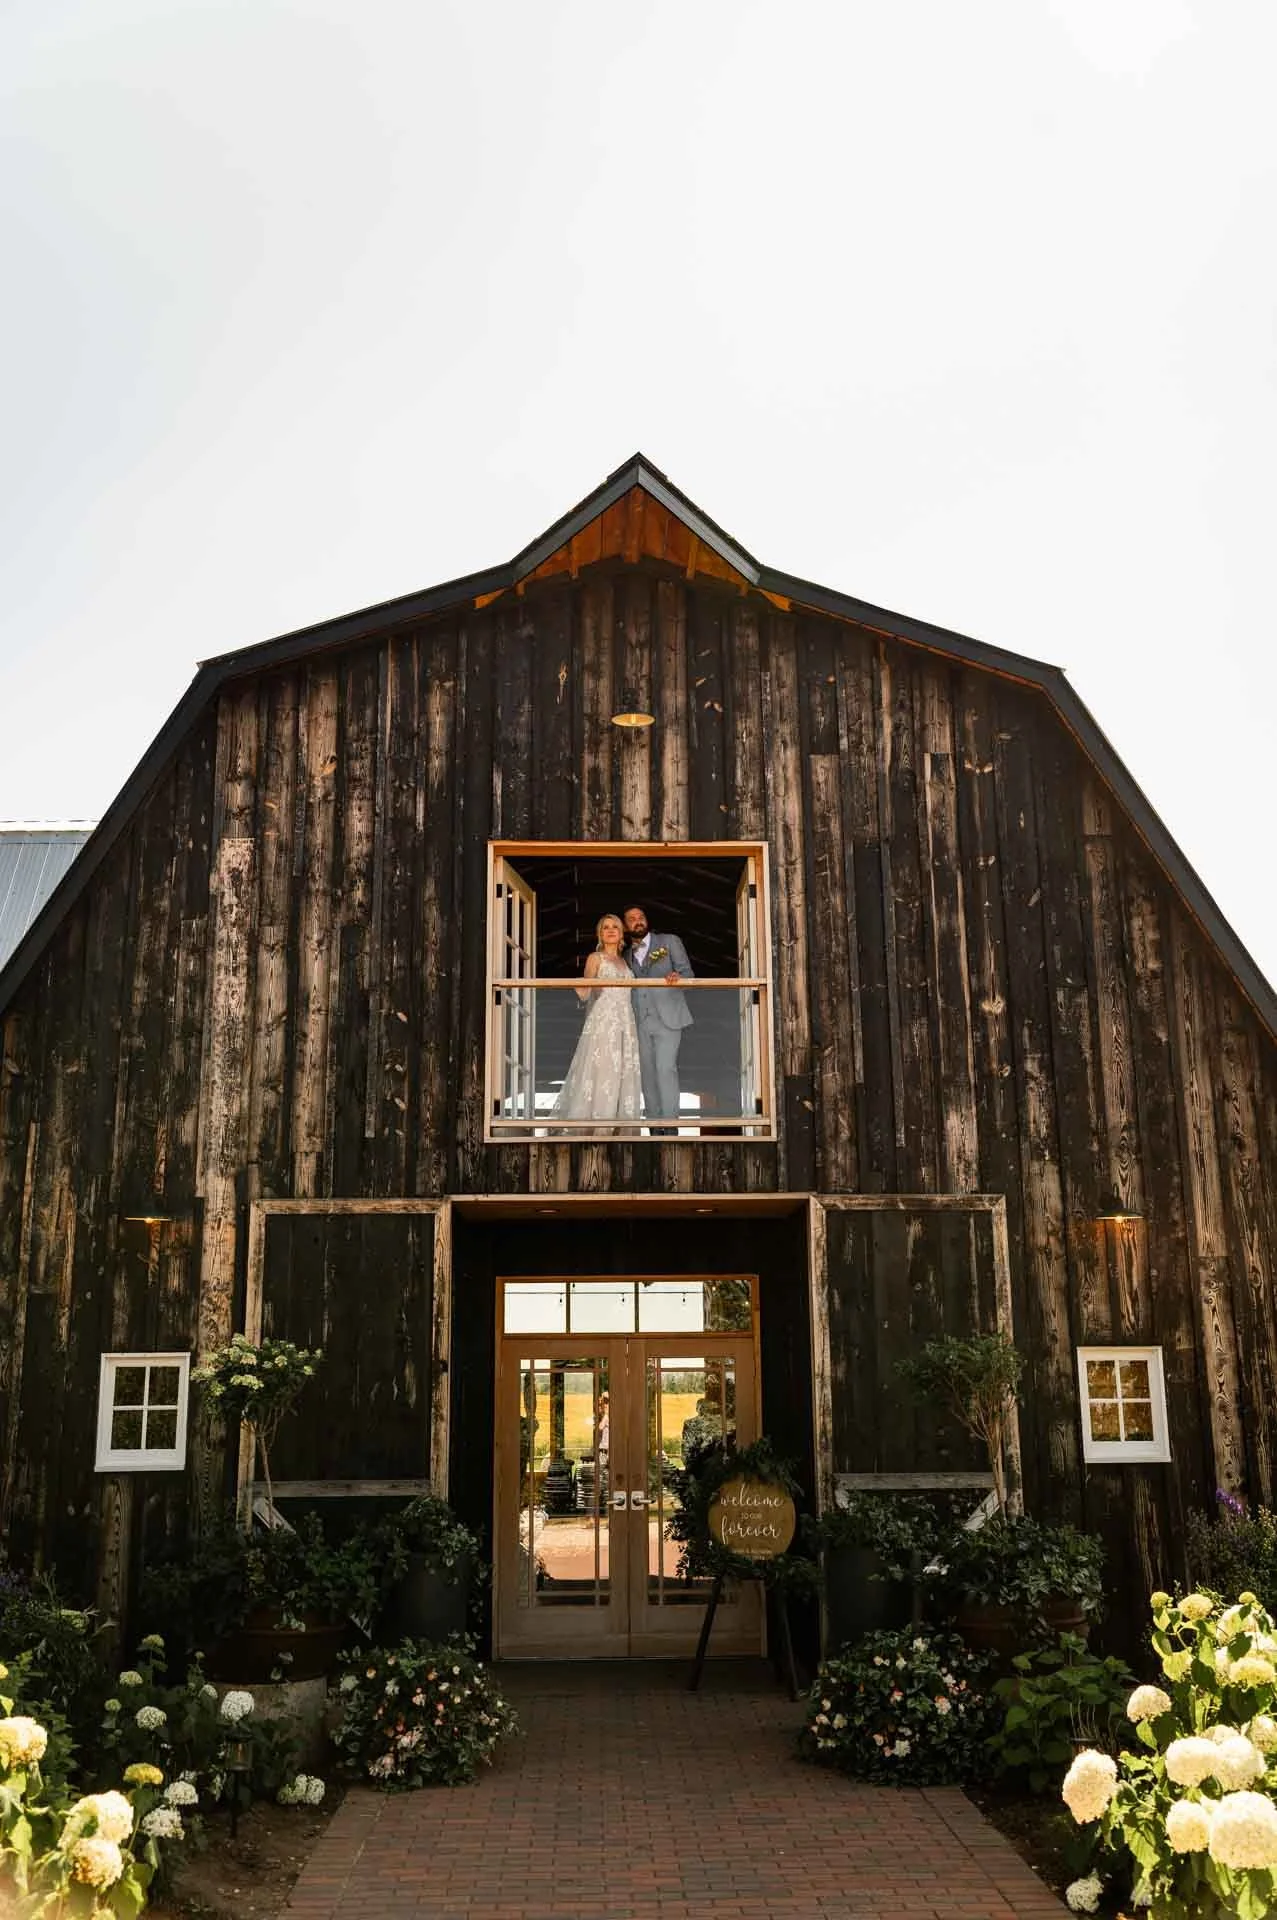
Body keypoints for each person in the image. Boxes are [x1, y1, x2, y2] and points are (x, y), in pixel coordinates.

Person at [550, 914, 642, 1124]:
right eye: (605, 927)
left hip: (626, 1020)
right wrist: (577, 985)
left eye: (615, 927)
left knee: (622, 1069)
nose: (610, 930)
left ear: (621, 934)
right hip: (605, 1017)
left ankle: (618, 1124)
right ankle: (599, 1123)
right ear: (600, 934)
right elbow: (585, 990)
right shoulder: (595, 958)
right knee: (604, 1067)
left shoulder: (625, 962)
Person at [622, 904, 693, 1134]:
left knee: (665, 1068)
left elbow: (688, 974)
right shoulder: (624, 955)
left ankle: (671, 1126)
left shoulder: (669, 941)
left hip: (668, 1017)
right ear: (625, 926)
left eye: (641, 916)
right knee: (647, 1074)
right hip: (638, 1021)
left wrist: (677, 976)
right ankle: (654, 1126)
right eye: (632, 919)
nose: (638, 921)